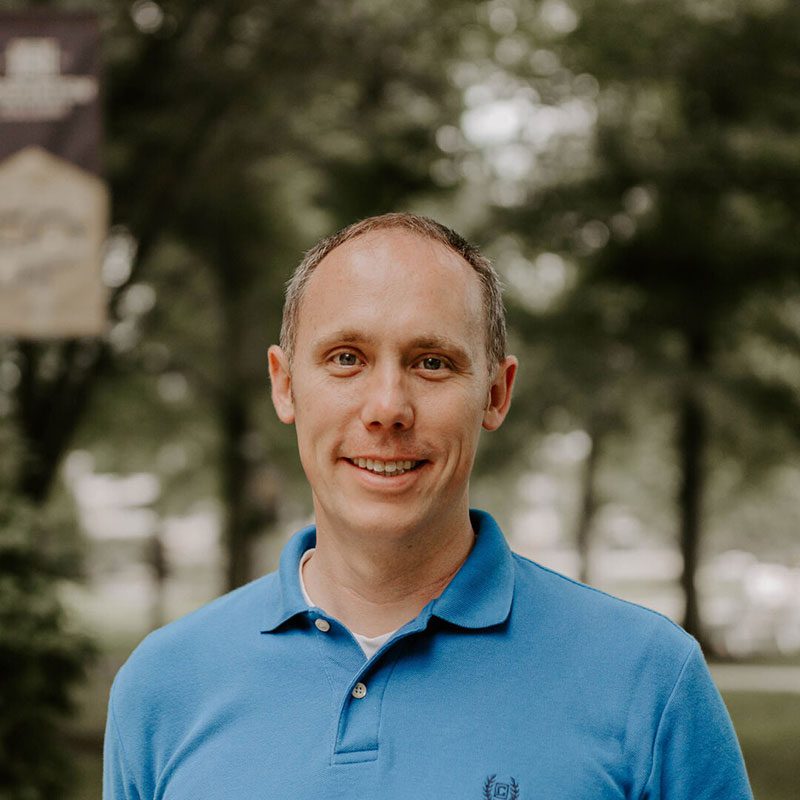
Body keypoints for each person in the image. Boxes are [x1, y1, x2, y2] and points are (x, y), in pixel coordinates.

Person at [104, 212, 753, 799]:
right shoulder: (162, 687)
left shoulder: (650, 680)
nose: (387, 407)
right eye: (346, 358)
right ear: (285, 384)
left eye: (433, 362)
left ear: (496, 394)